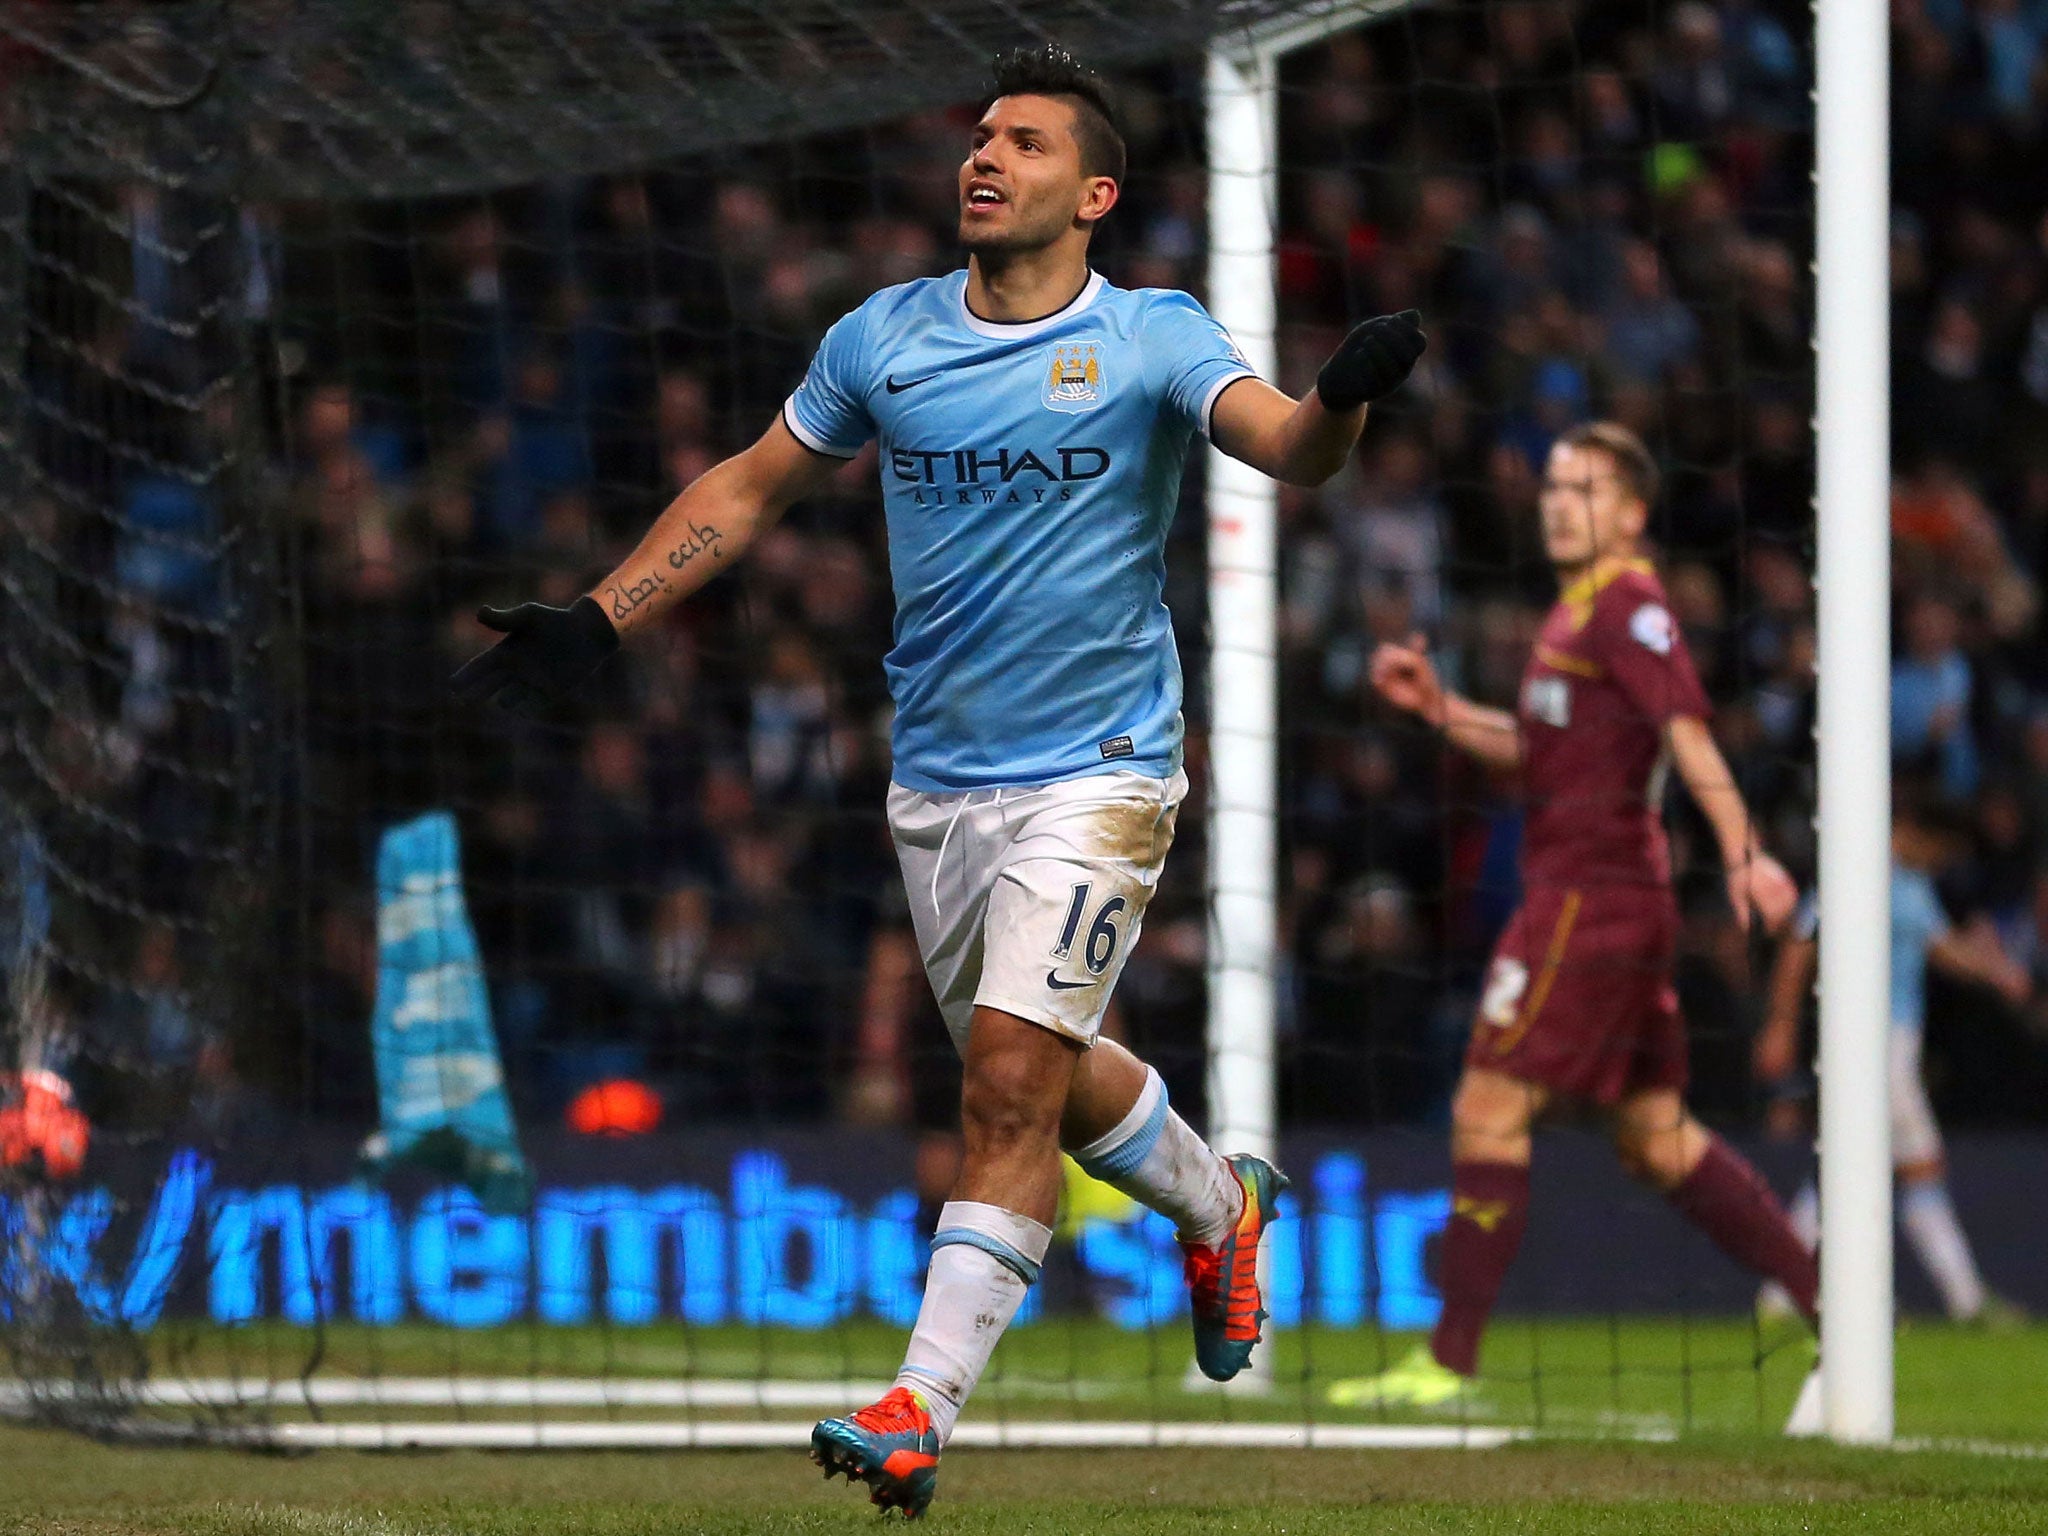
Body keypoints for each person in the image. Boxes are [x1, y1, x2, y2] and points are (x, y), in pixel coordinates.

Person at [452, 45, 1425, 1513]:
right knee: (1042, 1071)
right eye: (980, 137)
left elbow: (1291, 449)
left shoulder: (1153, 336)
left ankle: (920, 1404)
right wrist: (604, 614)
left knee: (1007, 1083)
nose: (985, 157)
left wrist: (1341, 398)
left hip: (1102, 773)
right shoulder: (885, 337)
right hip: (940, 784)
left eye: (1024, 143)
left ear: (1092, 192)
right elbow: (749, 486)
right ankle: (1221, 1210)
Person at [1332, 421, 1815, 1409]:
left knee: (1487, 1105)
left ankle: (1448, 1363)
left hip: (1584, 906)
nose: (1558, 502)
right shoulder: (1570, 616)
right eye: (1552, 483)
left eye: (1584, 489)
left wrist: (1743, 852)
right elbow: (1537, 751)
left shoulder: (1629, 605)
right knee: (1652, 1136)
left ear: (1630, 514)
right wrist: (1441, 711)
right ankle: (1831, 1308)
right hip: (1596, 905)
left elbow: (1686, 735)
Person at [1753, 790, 2032, 1327]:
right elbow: (1799, 945)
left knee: (1867, 1168)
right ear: (1918, 833)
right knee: (1899, 1168)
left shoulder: (1912, 883)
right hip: (1867, 1044)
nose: (1944, 862)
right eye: (1942, 850)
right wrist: (1780, 1025)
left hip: (1897, 1047)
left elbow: (1939, 946)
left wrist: (1997, 971)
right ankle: (1962, 1299)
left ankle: (1785, 1291)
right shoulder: (1855, 867)